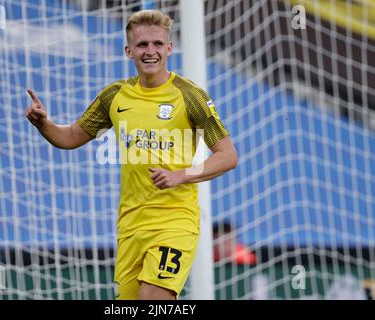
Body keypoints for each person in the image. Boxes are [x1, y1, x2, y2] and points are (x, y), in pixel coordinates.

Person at [25, 9, 238, 300]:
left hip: (175, 221)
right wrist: (44, 124)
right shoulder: (115, 96)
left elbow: (227, 156)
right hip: (131, 226)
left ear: (169, 48)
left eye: (157, 44)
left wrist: (181, 176)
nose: (150, 51)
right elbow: (71, 137)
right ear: (128, 51)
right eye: (142, 45)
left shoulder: (190, 96)